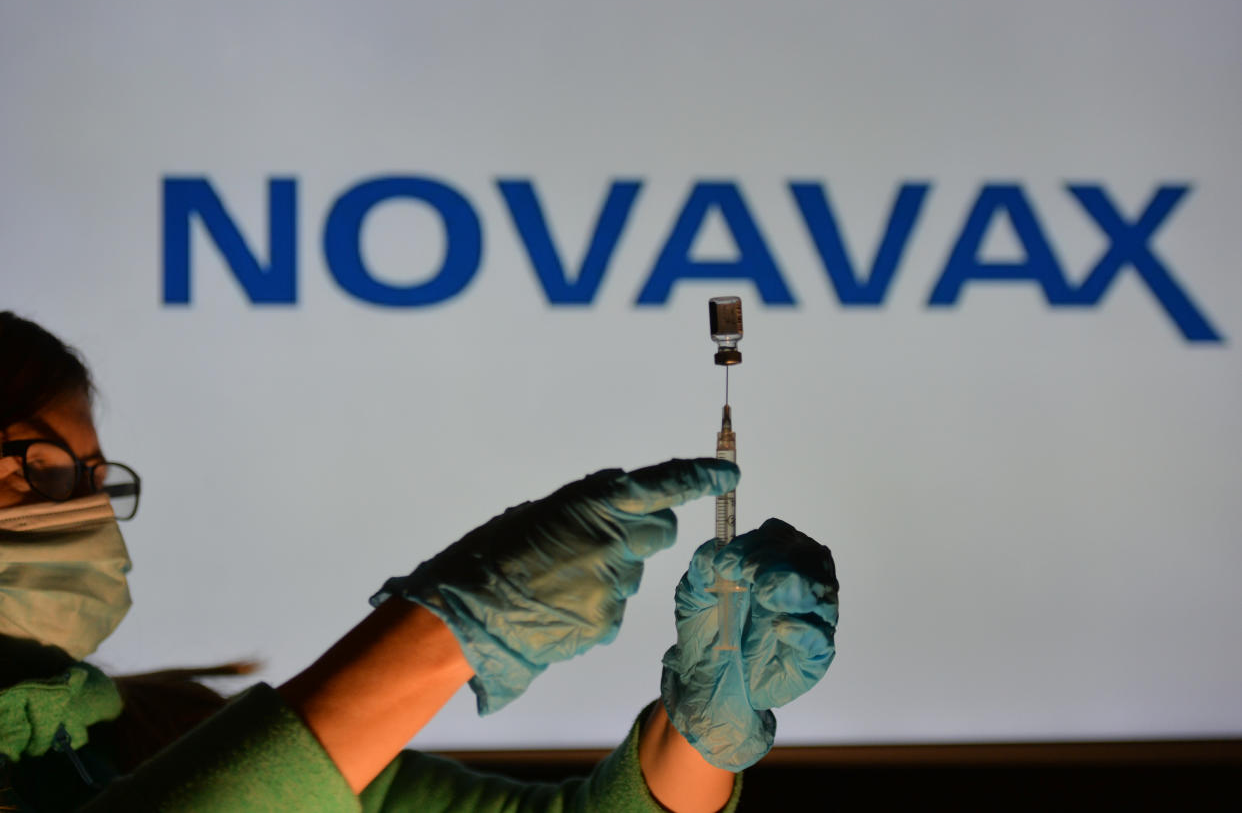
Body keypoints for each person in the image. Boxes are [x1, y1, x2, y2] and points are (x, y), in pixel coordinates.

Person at [0, 311, 839, 812]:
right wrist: (453, 624)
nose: (76, 505)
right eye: (34, 467)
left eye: (86, 477)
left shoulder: (148, 732)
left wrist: (696, 733)